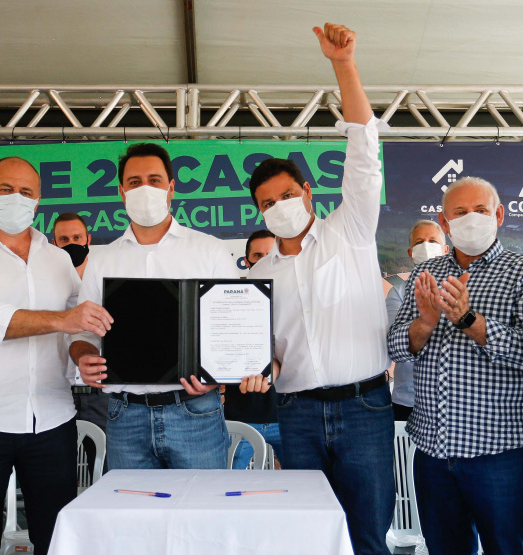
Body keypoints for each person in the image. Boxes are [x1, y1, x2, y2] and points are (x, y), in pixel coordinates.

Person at [244, 23, 395, 555]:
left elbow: (364, 147)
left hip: (365, 408)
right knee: (309, 537)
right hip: (298, 414)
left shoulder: (349, 229)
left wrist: (344, 66)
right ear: (259, 212)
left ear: (308, 192)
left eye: (287, 194)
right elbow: (272, 355)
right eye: (267, 203)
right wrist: (261, 371)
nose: (279, 207)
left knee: (369, 535)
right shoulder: (255, 278)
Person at [0, 157, 113, 554]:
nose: (16, 199)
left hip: (52, 419)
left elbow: (78, 327)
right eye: (5, 190)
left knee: (55, 540)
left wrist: (83, 353)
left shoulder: (57, 259)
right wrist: (62, 320)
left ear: (38, 202)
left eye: (26, 192)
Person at [387, 176, 523, 555]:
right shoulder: (424, 275)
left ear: (499, 215)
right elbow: (397, 348)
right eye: (460, 212)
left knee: (506, 548)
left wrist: (468, 319)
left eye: (480, 210)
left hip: (499, 455)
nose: (471, 219)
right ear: (445, 223)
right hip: (433, 452)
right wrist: (425, 323)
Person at [70, 142, 241, 470]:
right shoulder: (103, 260)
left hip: (195, 411)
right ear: (122, 191)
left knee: (201, 514)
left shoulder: (210, 252)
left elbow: (234, 329)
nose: (144, 188)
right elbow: (83, 334)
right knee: (133, 518)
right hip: (125, 415)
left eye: (154, 180)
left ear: (171, 188)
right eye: (134, 182)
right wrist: (82, 356)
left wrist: (217, 374)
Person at [52, 211, 109, 481]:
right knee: (57, 475)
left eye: (76, 237)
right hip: (57, 391)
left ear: (88, 239)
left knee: (108, 471)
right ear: (54, 244)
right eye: (63, 239)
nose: (71, 243)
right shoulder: (45, 286)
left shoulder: (103, 282)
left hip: (99, 392)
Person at [223, 229, 282, 469]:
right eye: (258, 255)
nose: (265, 260)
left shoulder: (296, 299)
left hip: (288, 417)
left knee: (304, 489)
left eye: (270, 254)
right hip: (240, 419)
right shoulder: (227, 301)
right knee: (227, 489)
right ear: (246, 262)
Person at [384, 220, 449, 421]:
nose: (426, 246)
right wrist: (426, 321)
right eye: (419, 242)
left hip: (457, 401)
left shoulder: (460, 288)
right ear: (411, 253)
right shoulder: (398, 293)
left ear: (445, 249)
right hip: (410, 400)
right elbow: (396, 346)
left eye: (432, 240)